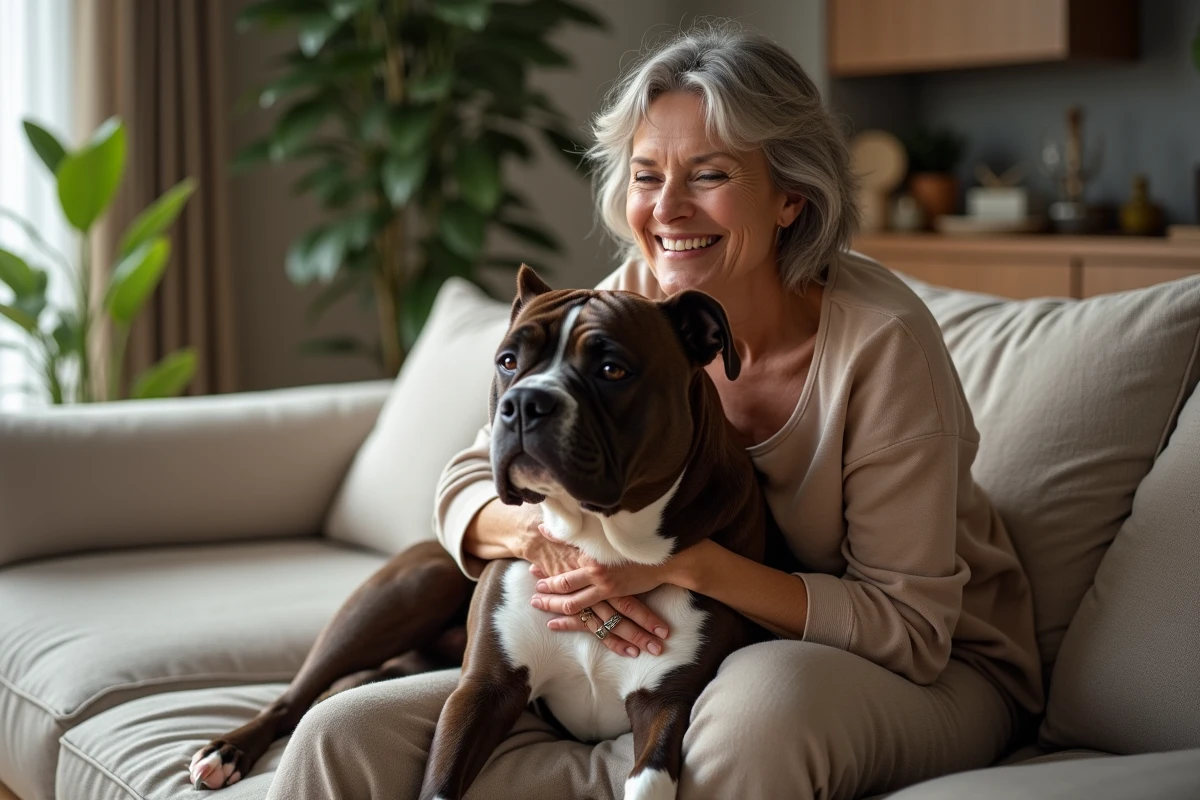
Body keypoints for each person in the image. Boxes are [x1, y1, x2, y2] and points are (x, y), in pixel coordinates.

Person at [266, 20, 1042, 800]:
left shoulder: (883, 346)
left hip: (934, 672)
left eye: (708, 175)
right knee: (345, 736)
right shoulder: (638, 295)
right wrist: (547, 540)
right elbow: (467, 480)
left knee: (750, 725)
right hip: (670, 648)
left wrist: (678, 562)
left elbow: (909, 630)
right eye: (645, 176)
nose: (668, 209)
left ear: (790, 199)